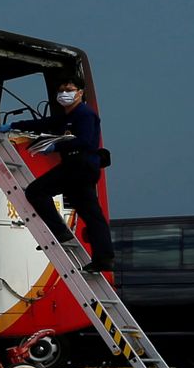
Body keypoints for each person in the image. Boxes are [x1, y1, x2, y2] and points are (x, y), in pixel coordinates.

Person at [8, 75, 114, 273]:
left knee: (36, 191)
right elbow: (43, 123)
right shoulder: (67, 116)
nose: (64, 94)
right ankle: (103, 259)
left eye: (69, 90)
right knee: (91, 214)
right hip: (77, 167)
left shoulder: (84, 114)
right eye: (61, 90)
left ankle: (60, 232)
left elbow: (84, 141)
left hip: (80, 166)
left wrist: (55, 146)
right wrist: (14, 126)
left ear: (80, 93)